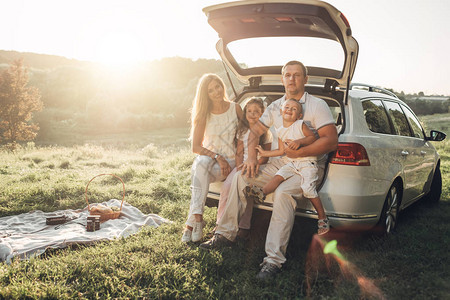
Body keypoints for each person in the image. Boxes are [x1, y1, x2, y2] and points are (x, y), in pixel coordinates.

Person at [200, 61, 338, 280]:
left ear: (305, 79)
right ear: (282, 78)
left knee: (283, 194)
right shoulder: (275, 106)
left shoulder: (317, 105)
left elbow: (331, 141)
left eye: (296, 75)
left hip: (307, 166)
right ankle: (225, 235)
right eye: (287, 75)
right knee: (240, 177)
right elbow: (254, 132)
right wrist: (253, 157)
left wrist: (300, 153)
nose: (291, 79)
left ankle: (273, 261)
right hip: (280, 161)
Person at [253, 98, 330, 235]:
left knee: (308, 189)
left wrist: (299, 142)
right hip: (292, 163)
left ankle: (322, 217)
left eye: (294, 109)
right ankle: (261, 193)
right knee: (278, 176)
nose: (289, 110)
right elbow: (281, 151)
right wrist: (265, 153)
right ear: (281, 112)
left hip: (307, 163)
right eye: (287, 107)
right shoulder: (280, 130)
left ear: (299, 116)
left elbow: (312, 138)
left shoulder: (300, 124)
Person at [181, 73, 243, 243]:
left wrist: (235, 160)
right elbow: (196, 147)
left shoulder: (235, 108)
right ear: (205, 94)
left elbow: (244, 136)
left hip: (230, 164)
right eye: (210, 90)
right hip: (212, 164)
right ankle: (198, 219)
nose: (216, 92)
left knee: (198, 178)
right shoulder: (204, 114)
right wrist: (217, 156)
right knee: (201, 163)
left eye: (218, 86)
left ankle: (190, 225)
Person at [215, 97, 272, 240]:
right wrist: (240, 167)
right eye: (249, 111)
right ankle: (220, 223)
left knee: (247, 191)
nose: (252, 114)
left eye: (256, 112)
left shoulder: (266, 133)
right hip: (242, 166)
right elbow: (239, 152)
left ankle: (244, 227)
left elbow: (266, 156)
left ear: (263, 114)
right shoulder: (242, 130)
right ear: (245, 113)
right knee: (226, 188)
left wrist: (256, 165)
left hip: (258, 165)